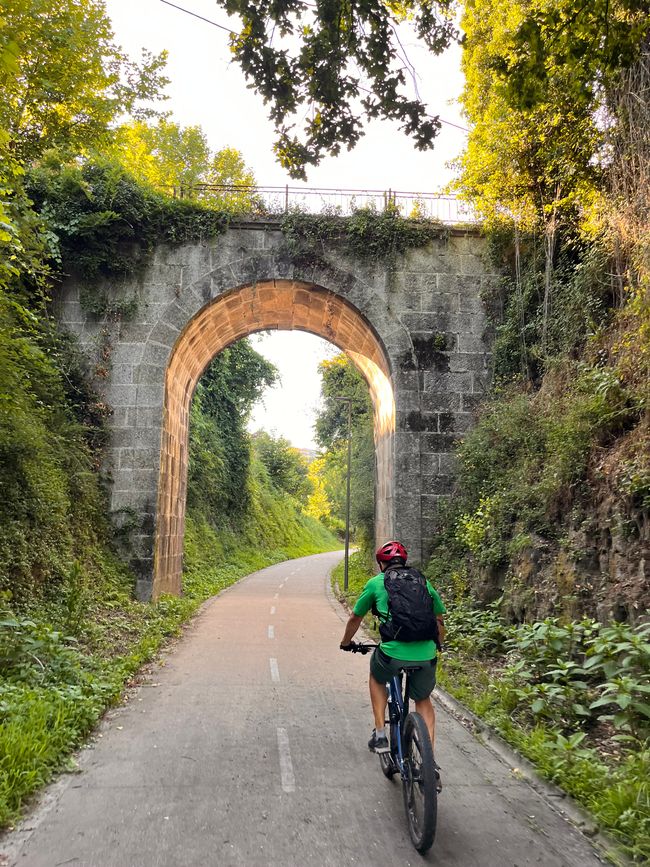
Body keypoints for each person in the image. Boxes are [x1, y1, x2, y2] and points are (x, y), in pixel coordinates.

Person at [339, 540, 446, 755]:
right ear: (404, 562)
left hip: (392, 653)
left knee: (377, 676)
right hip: (426, 654)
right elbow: (439, 621)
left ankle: (380, 734)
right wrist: (439, 645)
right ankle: (429, 759)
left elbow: (355, 618)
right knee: (423, 699)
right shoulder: (423, 582)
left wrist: (346, 643)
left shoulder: (376, 583)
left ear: (381, 564)